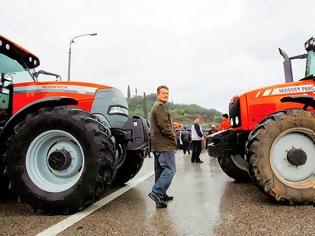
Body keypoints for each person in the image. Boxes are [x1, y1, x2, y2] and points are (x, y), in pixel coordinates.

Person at [148, 85, 177, 209]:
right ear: (158, 95)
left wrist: (173, 125)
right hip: (164, 144)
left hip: (157, 145)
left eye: (167, 93)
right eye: (163, 93)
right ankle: (157, 193)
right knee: (170, 170)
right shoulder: (160, 106)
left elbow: (163, 123)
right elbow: (164, 127)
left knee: (160, 171)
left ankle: (161, 195)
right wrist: (174, 137)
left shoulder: (157, 106)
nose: (166, 95)